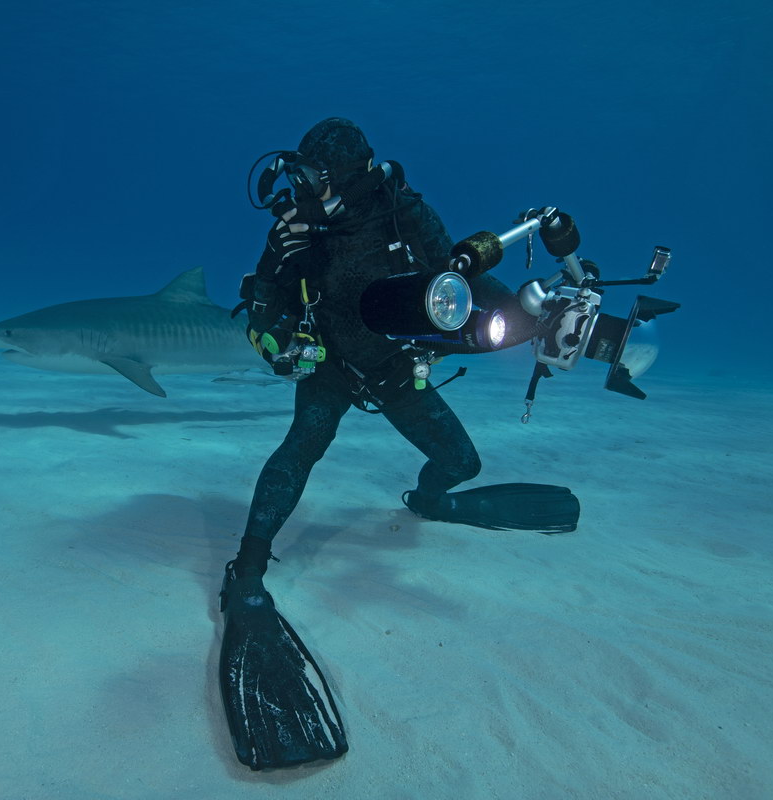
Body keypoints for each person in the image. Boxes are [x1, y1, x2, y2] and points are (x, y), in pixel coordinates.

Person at [217, 118, 579, 771]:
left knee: (463, 462)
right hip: (327, 365)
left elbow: (458, 279)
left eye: (316, 175)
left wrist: (530, 316)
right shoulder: (295, 226)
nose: (304, 185)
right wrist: (276, 346)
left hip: (392, 367)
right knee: (303, 445)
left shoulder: (400, 210)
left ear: (351, 174)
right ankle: (245, 572)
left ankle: (429, 499)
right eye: (302, 172)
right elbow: (262, 295)